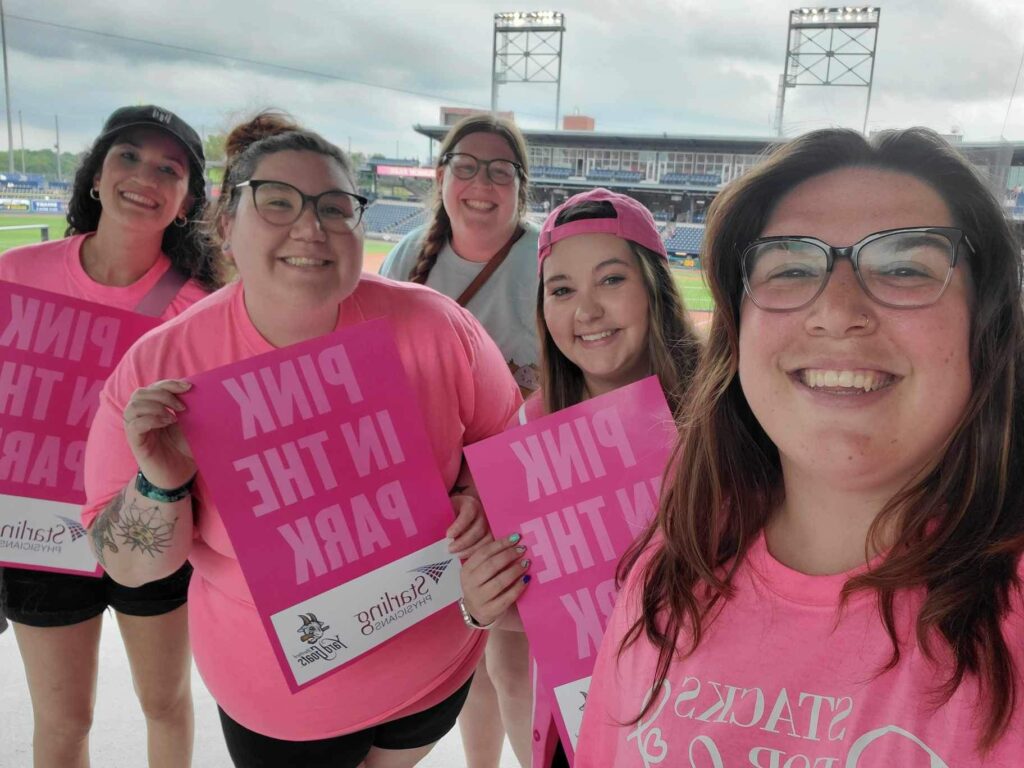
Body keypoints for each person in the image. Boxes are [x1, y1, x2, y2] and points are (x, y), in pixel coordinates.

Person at [80, 112, 522, 768]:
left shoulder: (434, 327)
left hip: (434, 671)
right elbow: (130, 565)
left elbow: (503, 443)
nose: (311, 227)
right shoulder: (159, 369)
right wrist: (160, 482)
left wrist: (477, 494)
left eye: (336, 207)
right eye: (277, 202)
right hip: (284, 709)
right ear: (227, 225)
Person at [575, 128, 1024, 766]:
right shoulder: (665, 575)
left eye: (902, 267)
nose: (837, 311)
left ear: (987, 327)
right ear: (739, 334)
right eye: (790, 267)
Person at [0, 104, 218, 768]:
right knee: (64, 720)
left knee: (165, 703)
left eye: (168, 168)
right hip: (35, 530)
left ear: (185, 201)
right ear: (95, 175)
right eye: (128, 156)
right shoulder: (15, 274)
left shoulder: (200, 307)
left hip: (149, 522)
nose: (144, 176)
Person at [459, 188, 702, 768]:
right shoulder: (530, 427)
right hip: (584, 717)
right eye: (561, 290)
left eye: (611, 280)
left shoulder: (723, 412)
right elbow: (519, 634)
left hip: (705, 710)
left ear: (654, 288)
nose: (586, 312)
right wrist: (479, 602)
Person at [380, 113, 541, 766]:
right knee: (465, 651)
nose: (482, 183)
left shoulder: (544, 254)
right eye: (467, 167)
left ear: (520, 187)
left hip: (522, 480)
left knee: (514, 656)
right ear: (442, 177)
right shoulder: (406, 254)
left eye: (500, 170)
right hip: (431, 492)